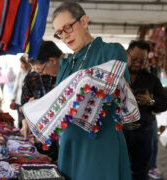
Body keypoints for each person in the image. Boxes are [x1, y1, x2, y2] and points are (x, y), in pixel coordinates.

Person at [22, 2, 135, 179]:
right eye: (60, 33)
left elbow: (119, 92)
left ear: (83, 21)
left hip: (99, 145)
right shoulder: (66, 65)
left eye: (68, 28)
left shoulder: (110, 51)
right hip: (69, 146)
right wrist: (34, 112)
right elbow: (59, 105)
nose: (65, 36)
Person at [123, 40, 167, 180]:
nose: (138, 63)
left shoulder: (152, 79)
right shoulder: (116, 76)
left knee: (141, 172)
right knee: (119, 169)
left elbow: (164, 104)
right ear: (127, 54)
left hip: (143, 133)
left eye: (142, 60)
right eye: (135, 59)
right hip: (120, 131)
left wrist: (151, 101)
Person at [20, 40, 62, 161]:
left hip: (62, 134)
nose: (39, 73)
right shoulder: (31, 77)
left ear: (52, 61)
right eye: (35, 70)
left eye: (40, 70)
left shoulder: (64, 73)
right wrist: (25, 123)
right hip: (40, 139)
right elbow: (25, 104)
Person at [10, 56, 31, 128]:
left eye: (22, 63)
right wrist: (13, 98)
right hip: (19, 100)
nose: (20, 65)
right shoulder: (20, 72)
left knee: (28, 121)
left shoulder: (32, 72)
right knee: (20, 120)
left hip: (29, 101)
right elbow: (16, 86)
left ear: (26, 64)